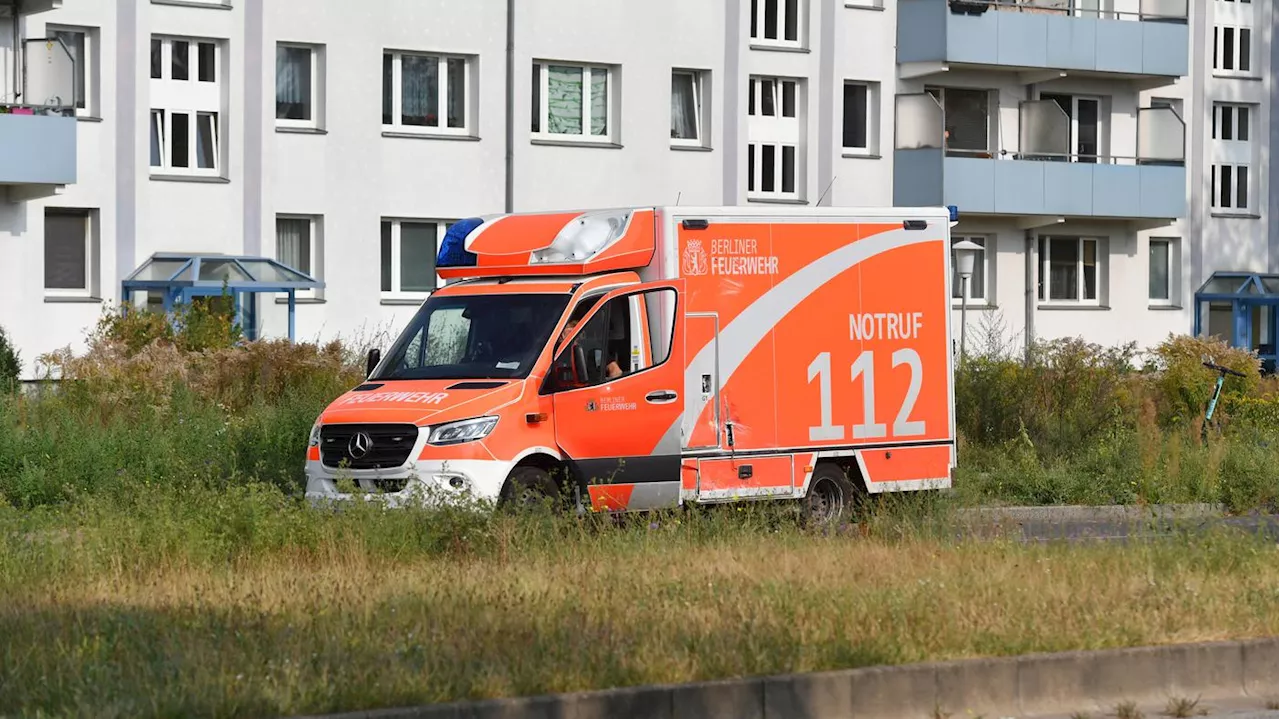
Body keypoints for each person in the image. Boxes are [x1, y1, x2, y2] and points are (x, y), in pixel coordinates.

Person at [558, 314, 623, 380]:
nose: (562, 336)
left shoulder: (592, 346)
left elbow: (616, 370)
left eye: (569, 332)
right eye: (561, 333)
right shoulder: (555, 352)